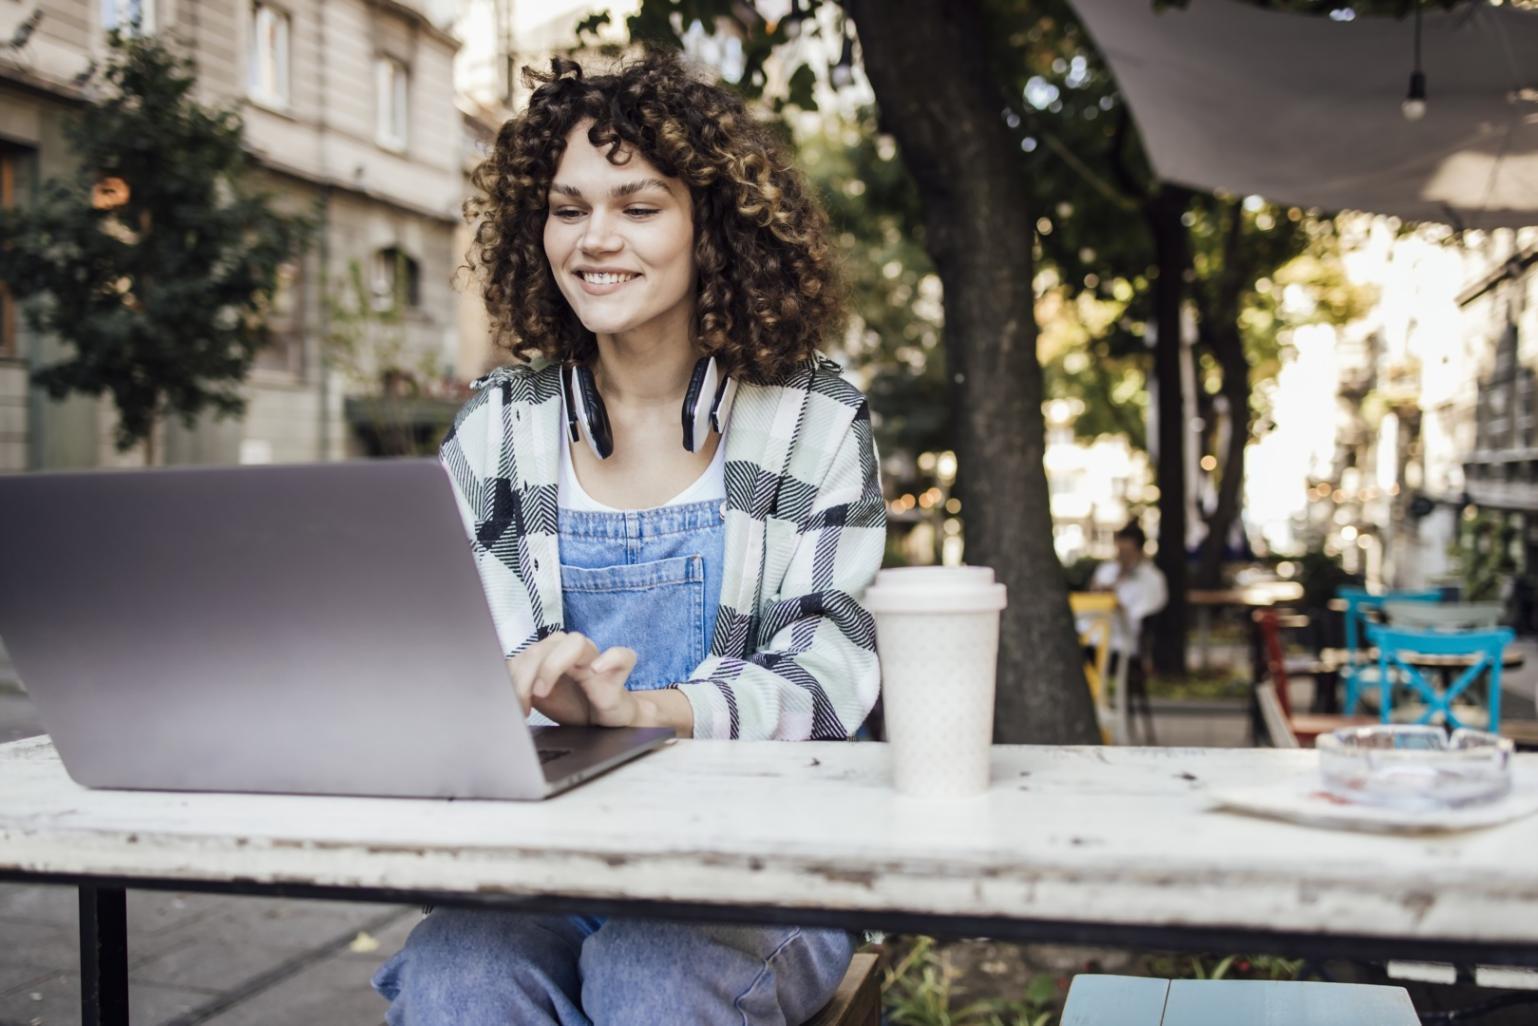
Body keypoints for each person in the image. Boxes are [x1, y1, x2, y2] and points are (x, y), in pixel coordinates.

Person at [370, 51, 886, 1026]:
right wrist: (517, 682)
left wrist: (636, 710)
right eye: (568, 210)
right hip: (544, 866)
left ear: (711, 226)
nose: (594, 240)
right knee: (454, 976)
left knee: (648, 975)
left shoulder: (814, 415)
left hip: (766, 864)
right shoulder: (495, 425)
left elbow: (826, 683)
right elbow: (459, 659)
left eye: (637, 206)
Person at [1089, 522, 1168, 660]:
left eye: (1127, 553)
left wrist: (1116, 604)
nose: (1122, 557)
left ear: (1139, 551)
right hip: (1092, 633)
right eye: (1120, 551)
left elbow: (1142, 618)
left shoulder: (1152, 579)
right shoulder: (1106, 571)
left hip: (1123, 640)